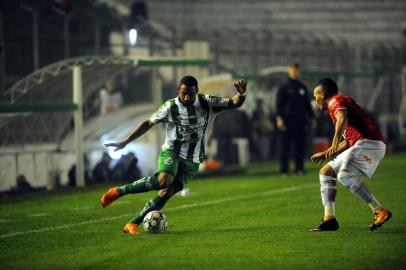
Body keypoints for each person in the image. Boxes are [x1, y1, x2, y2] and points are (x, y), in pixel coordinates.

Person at [101, 75, 248, 234]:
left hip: (194, 158)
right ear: (178, 90)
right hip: (173, 151)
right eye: (183, 93)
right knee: (163, 181)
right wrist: (126, 141)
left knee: (167, 193)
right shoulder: (170, 107)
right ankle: (118, 191)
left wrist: (241, 94)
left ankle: (132, 224)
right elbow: (148, 123)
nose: (186, 97)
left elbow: (233, 103)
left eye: (190, 94)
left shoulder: (206, 102)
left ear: (196, 91)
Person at [310, 78, 391, 232]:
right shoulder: (338, 105)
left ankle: (379, 210)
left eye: (316, 95)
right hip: (362, 143)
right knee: (326, 172)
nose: (315, 100)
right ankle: (329, 219)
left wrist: (333, 144)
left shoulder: (335, 101)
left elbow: (343, 118)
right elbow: (348, 141)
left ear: (324, 93)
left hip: (369, 143)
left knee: (344, 175)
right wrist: (327, 153)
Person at [276, 63, 314, 175]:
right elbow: (279, 104)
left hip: (301, 120)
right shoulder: (284, 87)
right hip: (287, 120)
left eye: (296, 70)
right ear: (289, 71)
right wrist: (279, 118)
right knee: (285, 146)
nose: (295, 72)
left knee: (300, 146)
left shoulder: (302, 87)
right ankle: (284, 170)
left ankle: (299, 169)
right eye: (293, 70)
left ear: (298, 72)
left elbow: (307, 104)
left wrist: (311, 118)